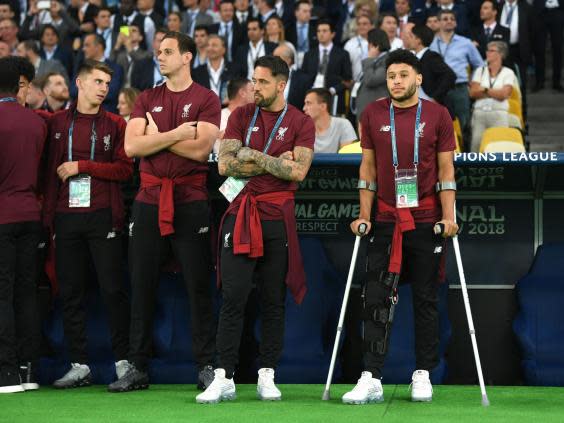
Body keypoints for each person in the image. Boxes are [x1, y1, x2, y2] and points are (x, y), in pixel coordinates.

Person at [196, 55, 315, 404]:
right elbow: (224, 164)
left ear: (281, 84)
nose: (254, 88)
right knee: (233, 295)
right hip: (240, 211)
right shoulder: (239, 115)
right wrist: (276, 161)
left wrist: (253, 156)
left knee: (272, 298)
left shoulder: (300, 121)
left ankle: (268, 373)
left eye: (262, 82)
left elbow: (297, 173)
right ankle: (224, 375)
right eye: (253, 81)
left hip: (276, 216)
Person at [108, 31, 220, 393]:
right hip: (148, 201)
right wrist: (176, 134)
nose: (160, 57)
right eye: (159, 52)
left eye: (168, 51)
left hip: (189, 200)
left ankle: (205, 365)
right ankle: (137, 366)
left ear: (188, 57)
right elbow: (131, 146)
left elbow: (202, 150)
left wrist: (157, 138)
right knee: (141, 286)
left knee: (198, 287)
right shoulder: (146, 97)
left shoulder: (206, 98)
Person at [344, 49, 458, 405]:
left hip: (425, 221)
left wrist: (449, 217)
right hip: (385, 220)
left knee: (425, 300)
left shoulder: (438, 114)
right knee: (375, 300)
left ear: (418, 78)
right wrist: (364, 215)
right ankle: (371, 376)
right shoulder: (373, 112)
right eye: (392, 75)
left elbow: (446, 173)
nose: (396, 81)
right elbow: (368, 169)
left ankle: (422, 374)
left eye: (404, 75)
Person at [42, 60, 133, 390]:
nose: (103, 88)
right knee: (70, 293)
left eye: (107, 83)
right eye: (97, 81)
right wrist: (48, 220)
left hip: (104, 216)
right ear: (79, 82)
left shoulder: (115, 124)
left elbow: (125, 170)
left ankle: (124, 362)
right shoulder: (56, 123)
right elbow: (50, 173)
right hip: (66, 217)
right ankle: (79, 364)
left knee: (112, 290)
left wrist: (84, 165)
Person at [0, 56, 46, 394]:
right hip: (31, 215)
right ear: (21, 84)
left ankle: (6, 374)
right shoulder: (36, 123)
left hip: (2, 217)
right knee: (27, 292)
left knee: (3, 294)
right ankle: (29, 372)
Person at [469, 41, 515, 152]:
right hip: (479, 113)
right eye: (487, 50)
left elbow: (504, 95)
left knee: (499, 147)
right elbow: (473, 93)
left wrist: (484, 89)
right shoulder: (480, 71)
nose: (487, 53)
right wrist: (495, 92)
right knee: (476, 145)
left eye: (491, 51)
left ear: (501, 54)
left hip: (499, 113)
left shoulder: (508, 72)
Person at [402, 24, 455, 107]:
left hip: (435, 109)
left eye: (411, 36)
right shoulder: (414, 59)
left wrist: (435, 98)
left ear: (418, 40)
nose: (408, 39)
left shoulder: (431, 57)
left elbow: (450, 75)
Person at [303, 88, 357, 153]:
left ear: (323, 106)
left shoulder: (343, 124)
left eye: (308, 103)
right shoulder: (303, 129)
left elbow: (347, 158)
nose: (304, 108)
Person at [354, 28, 390, 120]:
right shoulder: (376, 59)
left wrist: (369, 59)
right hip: (366, 111)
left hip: (377, 112)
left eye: (368, 42)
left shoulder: (388, 60)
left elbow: (371, 80)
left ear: (374, 44)